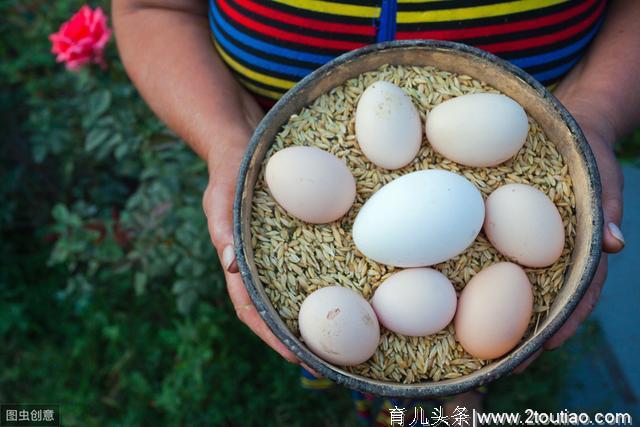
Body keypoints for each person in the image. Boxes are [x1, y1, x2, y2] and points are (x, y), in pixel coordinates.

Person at [113, 0, 636, 420]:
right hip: (305, 148)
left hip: (510, 124)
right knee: (343, 329)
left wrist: (594, 112)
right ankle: (389, 395)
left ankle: (452, 395)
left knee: (454, 340)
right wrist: (225, 136)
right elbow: (152, 8)